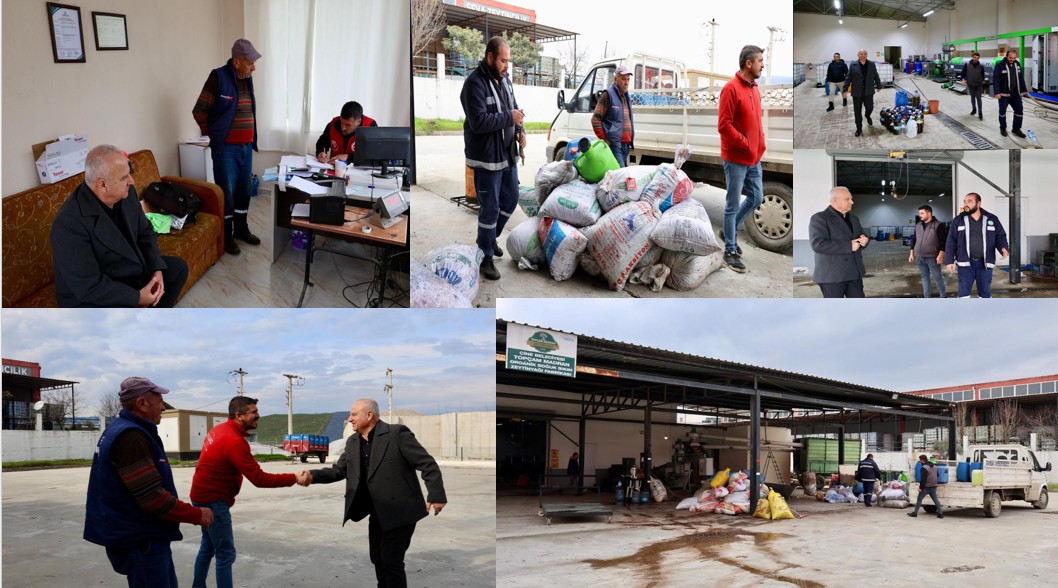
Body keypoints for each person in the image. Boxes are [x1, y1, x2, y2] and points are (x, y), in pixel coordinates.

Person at [300, 398, 446, 588]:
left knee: (391, 560)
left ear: (369, 415)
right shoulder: (353, 442)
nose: (349, 419)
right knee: (377, 557)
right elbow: (339, 470)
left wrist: (436, 495)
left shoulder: (396, 434)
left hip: (401, 509)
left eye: (353, 414)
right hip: (377, 511)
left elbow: (427, 464)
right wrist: (312, 475)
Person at [84, 377, 214, 588]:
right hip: (142, 541)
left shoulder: (125, 429)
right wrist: (197, 514)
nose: (163, 407)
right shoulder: (131, 437)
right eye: (159, 401)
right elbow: (153, 499)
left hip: (142, 537)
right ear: (142, 403)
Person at [50, 145, 188, 308]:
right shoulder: (69, 224)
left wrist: (156, 270)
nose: (132, 181)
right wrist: (136, 297)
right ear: (102, 185)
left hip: (126, 271)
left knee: (178, 269)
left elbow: (145, 233)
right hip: (93, 295)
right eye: (124, 177)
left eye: (129, 173)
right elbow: (89, 286)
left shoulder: (126, 194)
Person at [189, 396, 298, 588]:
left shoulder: (219, 430)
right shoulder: (234, 441)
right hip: (213, 500)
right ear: (239, 416)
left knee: (208, 546)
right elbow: (259, 479)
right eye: (253, 412)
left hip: (200, 496)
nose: (258, 416)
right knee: (225, 553)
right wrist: (295, 478)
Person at [460, 36, 525, 281]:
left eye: (508, 61)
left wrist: (521, 131)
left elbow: (515, 109)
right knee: (490, 209)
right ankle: (485, 257)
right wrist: (510, 118)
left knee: (511, 200)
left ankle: (488, 239)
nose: (507, 65)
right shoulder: (473, 84)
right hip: (487, 158)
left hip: (507, 153)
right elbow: (478, 122)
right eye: (503, 60)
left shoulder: (505, 81)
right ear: (489, 58)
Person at [192, 39, 262, 256]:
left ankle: (242, 229)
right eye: (250, 62)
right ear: (237, 61)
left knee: (244, 190)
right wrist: (212, 135)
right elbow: (199, 110)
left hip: (246, 147)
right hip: (226, 150)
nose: (254, 67)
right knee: (228, 194)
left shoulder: (246, 78)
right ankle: (227, 235)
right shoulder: (218, 77)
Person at [717, 44, 767, 274]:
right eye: (759, 61)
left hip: (754, 157)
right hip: (737, 157)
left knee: (757, 197)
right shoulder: (731, 89)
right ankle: (730, 249)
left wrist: (759, 143)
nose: (762, 65)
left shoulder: (755, 88)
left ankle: (730, 229)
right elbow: (724, 125)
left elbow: (756, 121)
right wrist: (745, 143)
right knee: (732, 203)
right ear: (749, 64)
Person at [944, 192, 1009, 298]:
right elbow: (951, 241)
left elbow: (1000, 236)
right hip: (965, 263)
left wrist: (1003, 248)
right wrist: (949, 260)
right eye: (965, 201)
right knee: (963, 294)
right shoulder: (958, 220)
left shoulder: (991, 219)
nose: (966, 204)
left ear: (978, 204)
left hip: (985, 263)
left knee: (985, 294)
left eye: (969, 201)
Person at [809, 187, 870, 298]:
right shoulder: (820, 218)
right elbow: (818, 244)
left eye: (851, 199)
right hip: (832, 276)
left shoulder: (854, 218)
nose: (852, 202)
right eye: (847, 199)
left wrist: (865, 240)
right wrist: (849, 246)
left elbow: (862, 235)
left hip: (854, 273)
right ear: (835, 201)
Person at [591, 65, 635, 167]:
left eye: (628, 79)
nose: (626, 82)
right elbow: (595, 119)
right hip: (615, 145)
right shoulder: (608, 95)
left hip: (625, 145)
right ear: (616, 79)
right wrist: (605, 139)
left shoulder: (626, 96)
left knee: (615, 174)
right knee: (621, 175)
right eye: (623, 79)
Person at [908, 204, 949, 298]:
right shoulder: (918, 225)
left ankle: (943, 296)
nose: (920, 215)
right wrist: (911, 253)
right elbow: (914, 239)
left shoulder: (939, 225)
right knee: (924, 277)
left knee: (937, 277)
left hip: (932, 257)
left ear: (929, 213)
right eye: (919, 213)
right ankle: (927, 297)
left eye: (922, 213)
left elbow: (943, 241)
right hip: (919, 256)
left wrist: (941, 255)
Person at [842, 49, 883, 137]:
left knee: (870, 107)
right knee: (857, 111)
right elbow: (848, 77)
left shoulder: (871, 64)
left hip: (868, 90)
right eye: (861, 54)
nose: (863, 55)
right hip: (857, 91)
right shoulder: (853, 65)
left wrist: (879, 85)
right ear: (858, 55)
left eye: (865, 54)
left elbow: (876, 75)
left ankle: (867, 116)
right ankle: (859, 128)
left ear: (866, 55)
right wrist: (844, 89)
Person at [993, 49, 1028, 138]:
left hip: (1016, 94)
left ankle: (1016, 129)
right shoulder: (999, 65)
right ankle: (1003, 128)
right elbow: (995, 80)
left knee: (1019, 110)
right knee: (1002, 112)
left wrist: (1024, 90)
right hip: (1004, 94)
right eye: (1010, 58)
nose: (1012, 59)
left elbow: (1021, 78)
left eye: (1014, 58)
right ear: (1006, 56)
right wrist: (997, 92)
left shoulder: (1017, 64)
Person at [964, 52, 985, 120]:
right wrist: (963, 79)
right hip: (971, 85)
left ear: (979, 58)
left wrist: (982, 81)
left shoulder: (981, 65)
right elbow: (963, 73)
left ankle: (980, 113)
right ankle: (974, 109)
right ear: (972, 57)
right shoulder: (967, 64)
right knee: (972, 98)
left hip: (979, 85)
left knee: (979, 98)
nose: (976, 59)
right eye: (975, 57)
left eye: (977, 58)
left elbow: (983, 75)